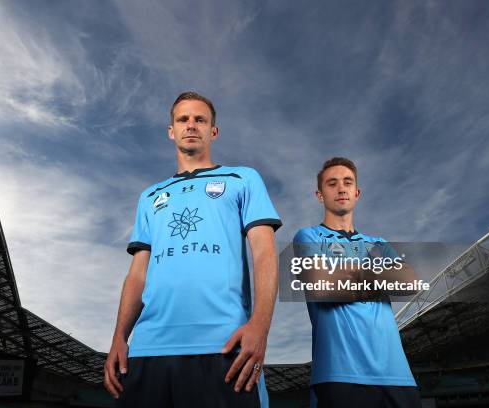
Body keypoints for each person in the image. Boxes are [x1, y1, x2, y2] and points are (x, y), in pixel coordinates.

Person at [104, 91, 281, 407]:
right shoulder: (150, 196)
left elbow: (264, 254)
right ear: (171, 130)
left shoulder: (243, 179)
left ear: (213, 131)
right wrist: (119, 337)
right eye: (183, 119)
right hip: (147, 350)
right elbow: (138, 274)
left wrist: (260, 326)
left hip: (224, 347)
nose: (191, 125)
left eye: (200, 119)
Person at [293, 157, 421, 408]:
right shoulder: (309, 236)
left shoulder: (378, 242)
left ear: (357, 192)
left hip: (397, 374)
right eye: (332, 184)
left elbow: (410, 282)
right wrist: (380, 274)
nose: (341, 189)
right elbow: (324, 287)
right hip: (340, 374)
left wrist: (345, 273)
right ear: (320, 195)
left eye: (347, 182)